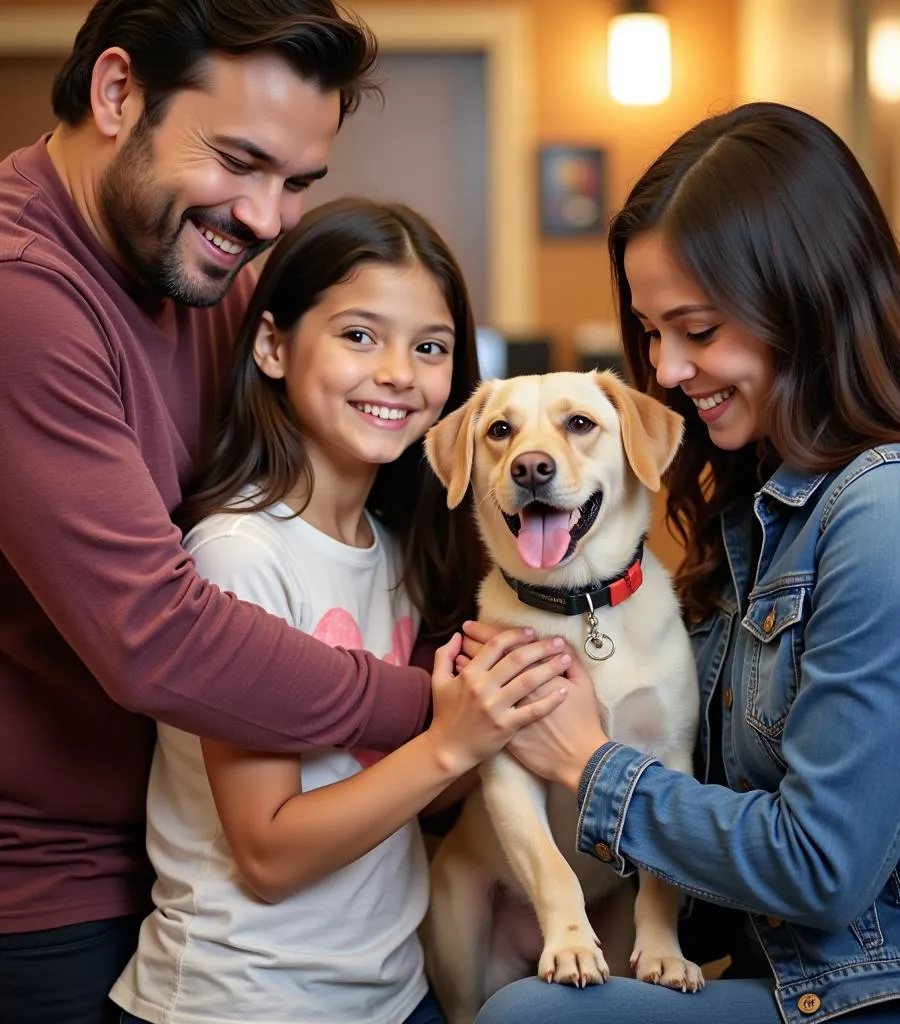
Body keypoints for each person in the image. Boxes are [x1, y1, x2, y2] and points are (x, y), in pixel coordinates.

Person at [0, 3, 558, 1021]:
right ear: (117, 94)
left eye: (297, 182)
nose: (264, 218)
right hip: (52, 891)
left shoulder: (201, 267)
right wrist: (432, 715)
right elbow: (155, 636)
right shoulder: (22, 295)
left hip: (187, 868)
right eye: (239, 160)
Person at [469, 102, 900, 1024]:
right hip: (795, 970)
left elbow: (821, 865)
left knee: (530, 1018)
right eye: (650, 332)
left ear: (802, 299)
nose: (667, 370)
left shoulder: (897, 507)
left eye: (696, 329)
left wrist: (584, 757)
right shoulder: (768, 507)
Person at [107, 197, 572, 1024]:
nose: (398, 372)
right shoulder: (239, 553)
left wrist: (507, 729)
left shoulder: (397, 547)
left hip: (395, 995)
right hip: (242, 1002)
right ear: (274, 345)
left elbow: (384, 792)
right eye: (360, 335)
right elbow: (269, 854)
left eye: (429, 347)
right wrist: (451, 742)